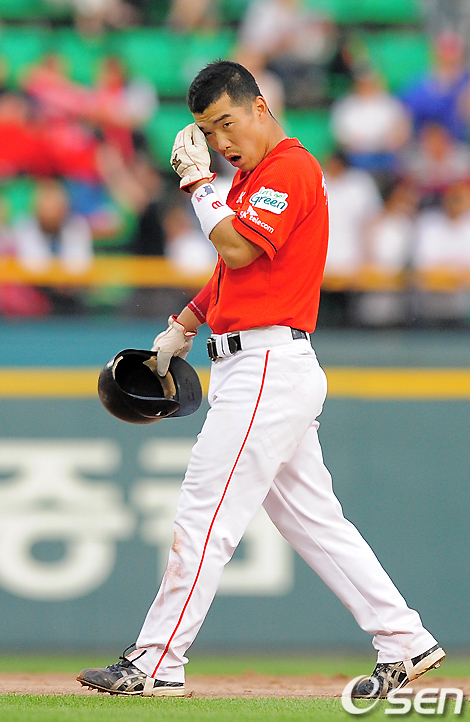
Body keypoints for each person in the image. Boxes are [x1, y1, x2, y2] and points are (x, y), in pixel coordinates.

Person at [77, 60, 445, 700]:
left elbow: (239, 248)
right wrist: (185, 322)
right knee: (315, 522)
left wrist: (199, 184)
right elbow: (235, 271)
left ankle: (157, 661)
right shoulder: (252, 178)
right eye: (206, 131)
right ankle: (405, 639)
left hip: (267, 366)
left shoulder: (289, 168)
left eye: (227, 122)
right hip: (260, 363)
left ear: (259, 107)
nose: (220, 141)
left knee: (204, 512)